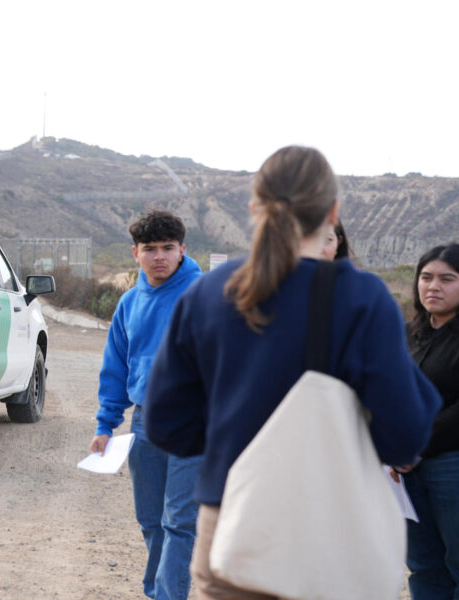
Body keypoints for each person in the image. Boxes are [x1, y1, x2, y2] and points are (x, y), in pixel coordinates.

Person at [142, 145, 441, 598]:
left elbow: (165, 425)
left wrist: (235, 439)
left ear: (254, 207)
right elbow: (405, 436)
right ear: (333, 211)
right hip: (332, 533)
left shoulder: (206, 295)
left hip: (231, 527)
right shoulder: (362, 298)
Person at [89, 209, 202, 600]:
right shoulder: (129, 304)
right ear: (135, 253)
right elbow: (115, 369)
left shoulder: (204, 298)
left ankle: (169, 595)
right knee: (151, 520)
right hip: (146, 423)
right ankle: (159, 591)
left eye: (168, 248)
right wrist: (105, 425)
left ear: (182, 249)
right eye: (149, 249)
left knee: (180, 522)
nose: (159, 257)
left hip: (194, 424)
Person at [397, 243, 459, 600]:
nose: (433, 286)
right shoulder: (407, 334)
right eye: (426, 277)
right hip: (405, 471)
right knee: (424, 565)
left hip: (450, 462)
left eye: (447, 279)